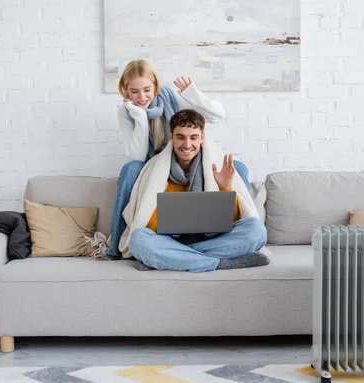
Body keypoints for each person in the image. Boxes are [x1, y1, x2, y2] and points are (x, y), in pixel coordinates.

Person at [106, 59, 251, 259]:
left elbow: (217, 116)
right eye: (134, 92)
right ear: (125, 90)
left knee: (239, 169)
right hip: (155, 163)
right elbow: (138, 154)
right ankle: (117, 244)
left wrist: (194, 95)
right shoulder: (126, 111)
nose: (142, 97)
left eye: (147, 90)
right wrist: (140, 117)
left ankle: (206, 247)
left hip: (184, 156)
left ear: (155, 85)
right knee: (131, 168)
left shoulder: (170, 98)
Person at [118, 109, 269, 273]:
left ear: (202, 137)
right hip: (167, 241)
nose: (187, 144)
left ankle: (168, 259)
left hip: (210, 241)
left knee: (257, 230)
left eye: (194, 137)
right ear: (172, 137)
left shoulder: (215, 168)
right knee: (138, 240)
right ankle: (218, 263)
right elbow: (144, 220)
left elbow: (229, 223)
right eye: (181, 137)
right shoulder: (156, 170)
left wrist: (225, 188)